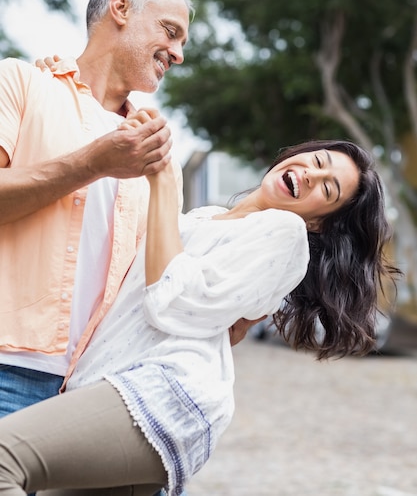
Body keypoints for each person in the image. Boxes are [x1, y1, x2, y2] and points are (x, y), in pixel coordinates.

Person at [0, 135, 399, 496]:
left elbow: (170, 304)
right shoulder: (200, 219)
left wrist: (162, 182)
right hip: (102, 386)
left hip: (161, 394)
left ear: (317, 222)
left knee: (4, 457)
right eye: (317, 159)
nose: (312, 174)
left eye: (327, 188)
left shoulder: (284, 232)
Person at [0, 0, 193, 421]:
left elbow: (163, 285)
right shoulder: (21, 83)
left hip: (99, 390)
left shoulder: (160, 158)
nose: (179, 54)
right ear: (120, 9)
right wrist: (92, 164)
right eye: (171, 32)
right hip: (7, 370)